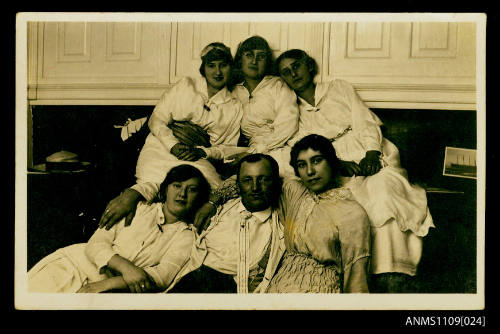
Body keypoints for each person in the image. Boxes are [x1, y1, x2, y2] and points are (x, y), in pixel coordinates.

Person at [276, 49, 435, 291]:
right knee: (354, 207)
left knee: (383, 192)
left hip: (365, 151)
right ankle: (363, 280)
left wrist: (371, 152)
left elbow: (364, 121)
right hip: (331, 166)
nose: (293, 73)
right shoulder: (289, 111)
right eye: (286, 72)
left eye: (296, 66)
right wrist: (335, 162)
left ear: (309, 65)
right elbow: (297, 149)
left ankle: (394, 273)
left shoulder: (339, 88)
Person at [98, 42, 245, 230]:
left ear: (231, 67)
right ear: (203, 68)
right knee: (151, 186)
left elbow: (226, 148)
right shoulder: (186, 86)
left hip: (196, 156)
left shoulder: (233, 105)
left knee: (215, 192)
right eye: (211, 65)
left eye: (223, 65)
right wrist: (173, 144)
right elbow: (157, 119)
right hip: (161, 148)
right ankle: (136, 229)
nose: (217, 72)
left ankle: (186, 238)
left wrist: (203, 151)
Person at [197, 135, 371, 293]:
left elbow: (356, 276)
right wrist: (213, 201)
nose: (310, 171)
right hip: (276, 287)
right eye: (302, 165)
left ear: (333, 163)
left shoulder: (353, 213)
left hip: (319, 291)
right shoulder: (294, 192)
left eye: (317, 161)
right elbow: (252, 177)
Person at [28, 165, 209, 293]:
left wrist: (107, 285)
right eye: (177, 186)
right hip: (74, 265)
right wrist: (128, 269)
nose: (182, 194)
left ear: (198, 198)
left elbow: (162, 276)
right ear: (165, 190)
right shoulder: (136, 209)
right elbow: (96, 244)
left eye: (191, 189)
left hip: (110, 288)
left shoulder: (185, 236)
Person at [166, 154, 284, 293]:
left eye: (263, 179)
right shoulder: (217, 209)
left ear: (275, 182)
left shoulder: (279, 224)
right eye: (247, 180)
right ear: (238, 183)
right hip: (190, 280)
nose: (254, 187)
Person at [230, 36, 300, 176]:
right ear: (240, 60)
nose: (254, 61)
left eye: (261, 56)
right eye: (249, 55)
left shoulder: (278, 85)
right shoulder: (233, 92)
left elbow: (288, 125)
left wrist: (255, 151)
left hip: (281, 146)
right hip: (247, 150)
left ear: (267, 62)